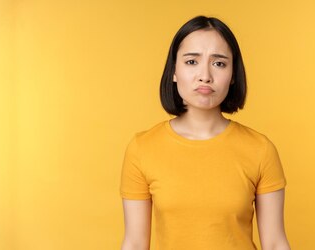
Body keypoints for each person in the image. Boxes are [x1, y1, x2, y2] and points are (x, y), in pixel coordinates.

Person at [120, 15, 290, 250]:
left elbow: (274, 243)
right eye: (192, 62)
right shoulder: (142, 148)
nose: (205, 75)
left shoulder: (260, 149)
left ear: (232, 76)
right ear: (174, 71)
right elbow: (135, 243)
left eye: (219, 63)